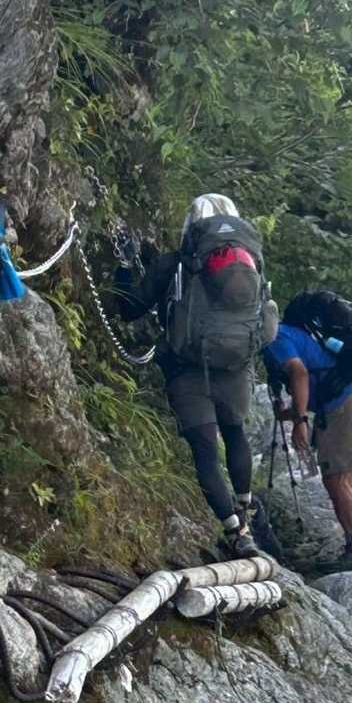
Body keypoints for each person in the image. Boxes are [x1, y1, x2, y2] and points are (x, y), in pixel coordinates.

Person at [113, 195, 283, 563]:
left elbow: (129, 308)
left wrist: (125, 266)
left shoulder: (177, 263)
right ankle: (246, 508)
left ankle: (235, 531)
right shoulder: (252, 264)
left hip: (187, 369)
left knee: (205, 451)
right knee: (235, 433)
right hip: (236, 368)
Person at [262, 321, 352, 569]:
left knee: (337, 479)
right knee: (348, 478)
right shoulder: (299, 331)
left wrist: (300, 421)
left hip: (343, 403)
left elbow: (300, 373)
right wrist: (291, 414)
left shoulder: (276, 337)